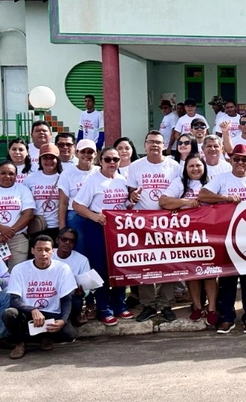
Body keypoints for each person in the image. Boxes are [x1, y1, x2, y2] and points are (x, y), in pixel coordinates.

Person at [198, 143, 246, 334]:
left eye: (244, 159)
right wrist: (226, 198)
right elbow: (202, 194)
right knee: (228, 279)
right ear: (230, 160)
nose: (240, 162)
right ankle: (227, 316)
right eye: (236, 158)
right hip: (227, 236)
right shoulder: (221, 178)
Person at [124, 130, 182, 323]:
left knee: (168, 262)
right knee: (145, 263)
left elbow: (180, 191)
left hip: (168, 221)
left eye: (158, 142)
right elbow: (131, 192)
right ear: (145, 145)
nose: (154, 145)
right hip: (143, 222)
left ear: (165, 145)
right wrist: (132, 196)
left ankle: (166, 304)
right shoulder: (135, 166)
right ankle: (148, 304)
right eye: (151, 142)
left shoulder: (174, 166)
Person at [73, 147, 133, 325]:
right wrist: (94, 216)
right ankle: (103, 308)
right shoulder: (93, 180)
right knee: (100, 269)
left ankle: (119, 305)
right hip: (98, 228)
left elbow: (123, 204)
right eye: (108, 159)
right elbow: (77, 205)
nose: (112, 163)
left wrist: (131, 202)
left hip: (119, 229)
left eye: (115, 159)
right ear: (101, 160)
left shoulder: (122, 179)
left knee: (120, 266)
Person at [160, 153, 217, 326]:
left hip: (210, 234)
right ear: (185, 169)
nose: (195, 169)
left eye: (198, 165)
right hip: (186, 235)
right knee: (192, 272)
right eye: (191, 166)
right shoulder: (179, 183)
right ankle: (198, 307)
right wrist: (185, 201)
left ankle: (212, 308)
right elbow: (163, 201)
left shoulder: (211, 181)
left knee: (210, 273)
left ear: (204, 167)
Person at [1, 235, 78, 360]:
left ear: (52, 251)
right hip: (28, 314)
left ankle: (46, 338)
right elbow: (14, 300)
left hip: (52, 314)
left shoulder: (62, 268)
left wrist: (63, 320)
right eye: (39, 249)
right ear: (32, 250)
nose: (43, 253)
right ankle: (20, 343)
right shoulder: (19, 269)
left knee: (69, 334)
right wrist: (33, 310)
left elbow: (66, 298)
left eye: (47, 250)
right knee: (9, 314)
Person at [0, 162, 36, 269]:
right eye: (3, 173)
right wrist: (1, 228)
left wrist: (10, 232)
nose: (7, 176)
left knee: (17, 271)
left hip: (18, 238)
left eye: (11, 174)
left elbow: (28, 214)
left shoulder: (23, 190)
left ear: (16, 175)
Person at [52, 227, 94, 325]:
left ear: (75, 244)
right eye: (64, 239)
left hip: (70, 296)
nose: (67, 243)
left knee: (77, 300)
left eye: (71, 241)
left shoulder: (82, 260)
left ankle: (70, 320)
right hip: (49, 293)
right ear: (57, 240)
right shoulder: (48, 254)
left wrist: (83, 292)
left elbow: (87, 287)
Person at [24, 144, 62, 242]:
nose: (48, 161)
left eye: (52, 158)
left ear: (58, 160)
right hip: (37, 227)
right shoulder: (30, 179)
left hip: (57, 227)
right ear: (39, 160)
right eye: (45, 158)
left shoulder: (64, 178)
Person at [58, 140, 98, 232]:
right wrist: (62, 227)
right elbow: (63, 202)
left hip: (96, 215)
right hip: (75, 215)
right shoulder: (67, 173)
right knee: (78, 246)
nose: (86, 155)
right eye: (83, 152)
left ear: (95, 154)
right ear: (76, 153)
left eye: (90, 152)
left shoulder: (100, 171)